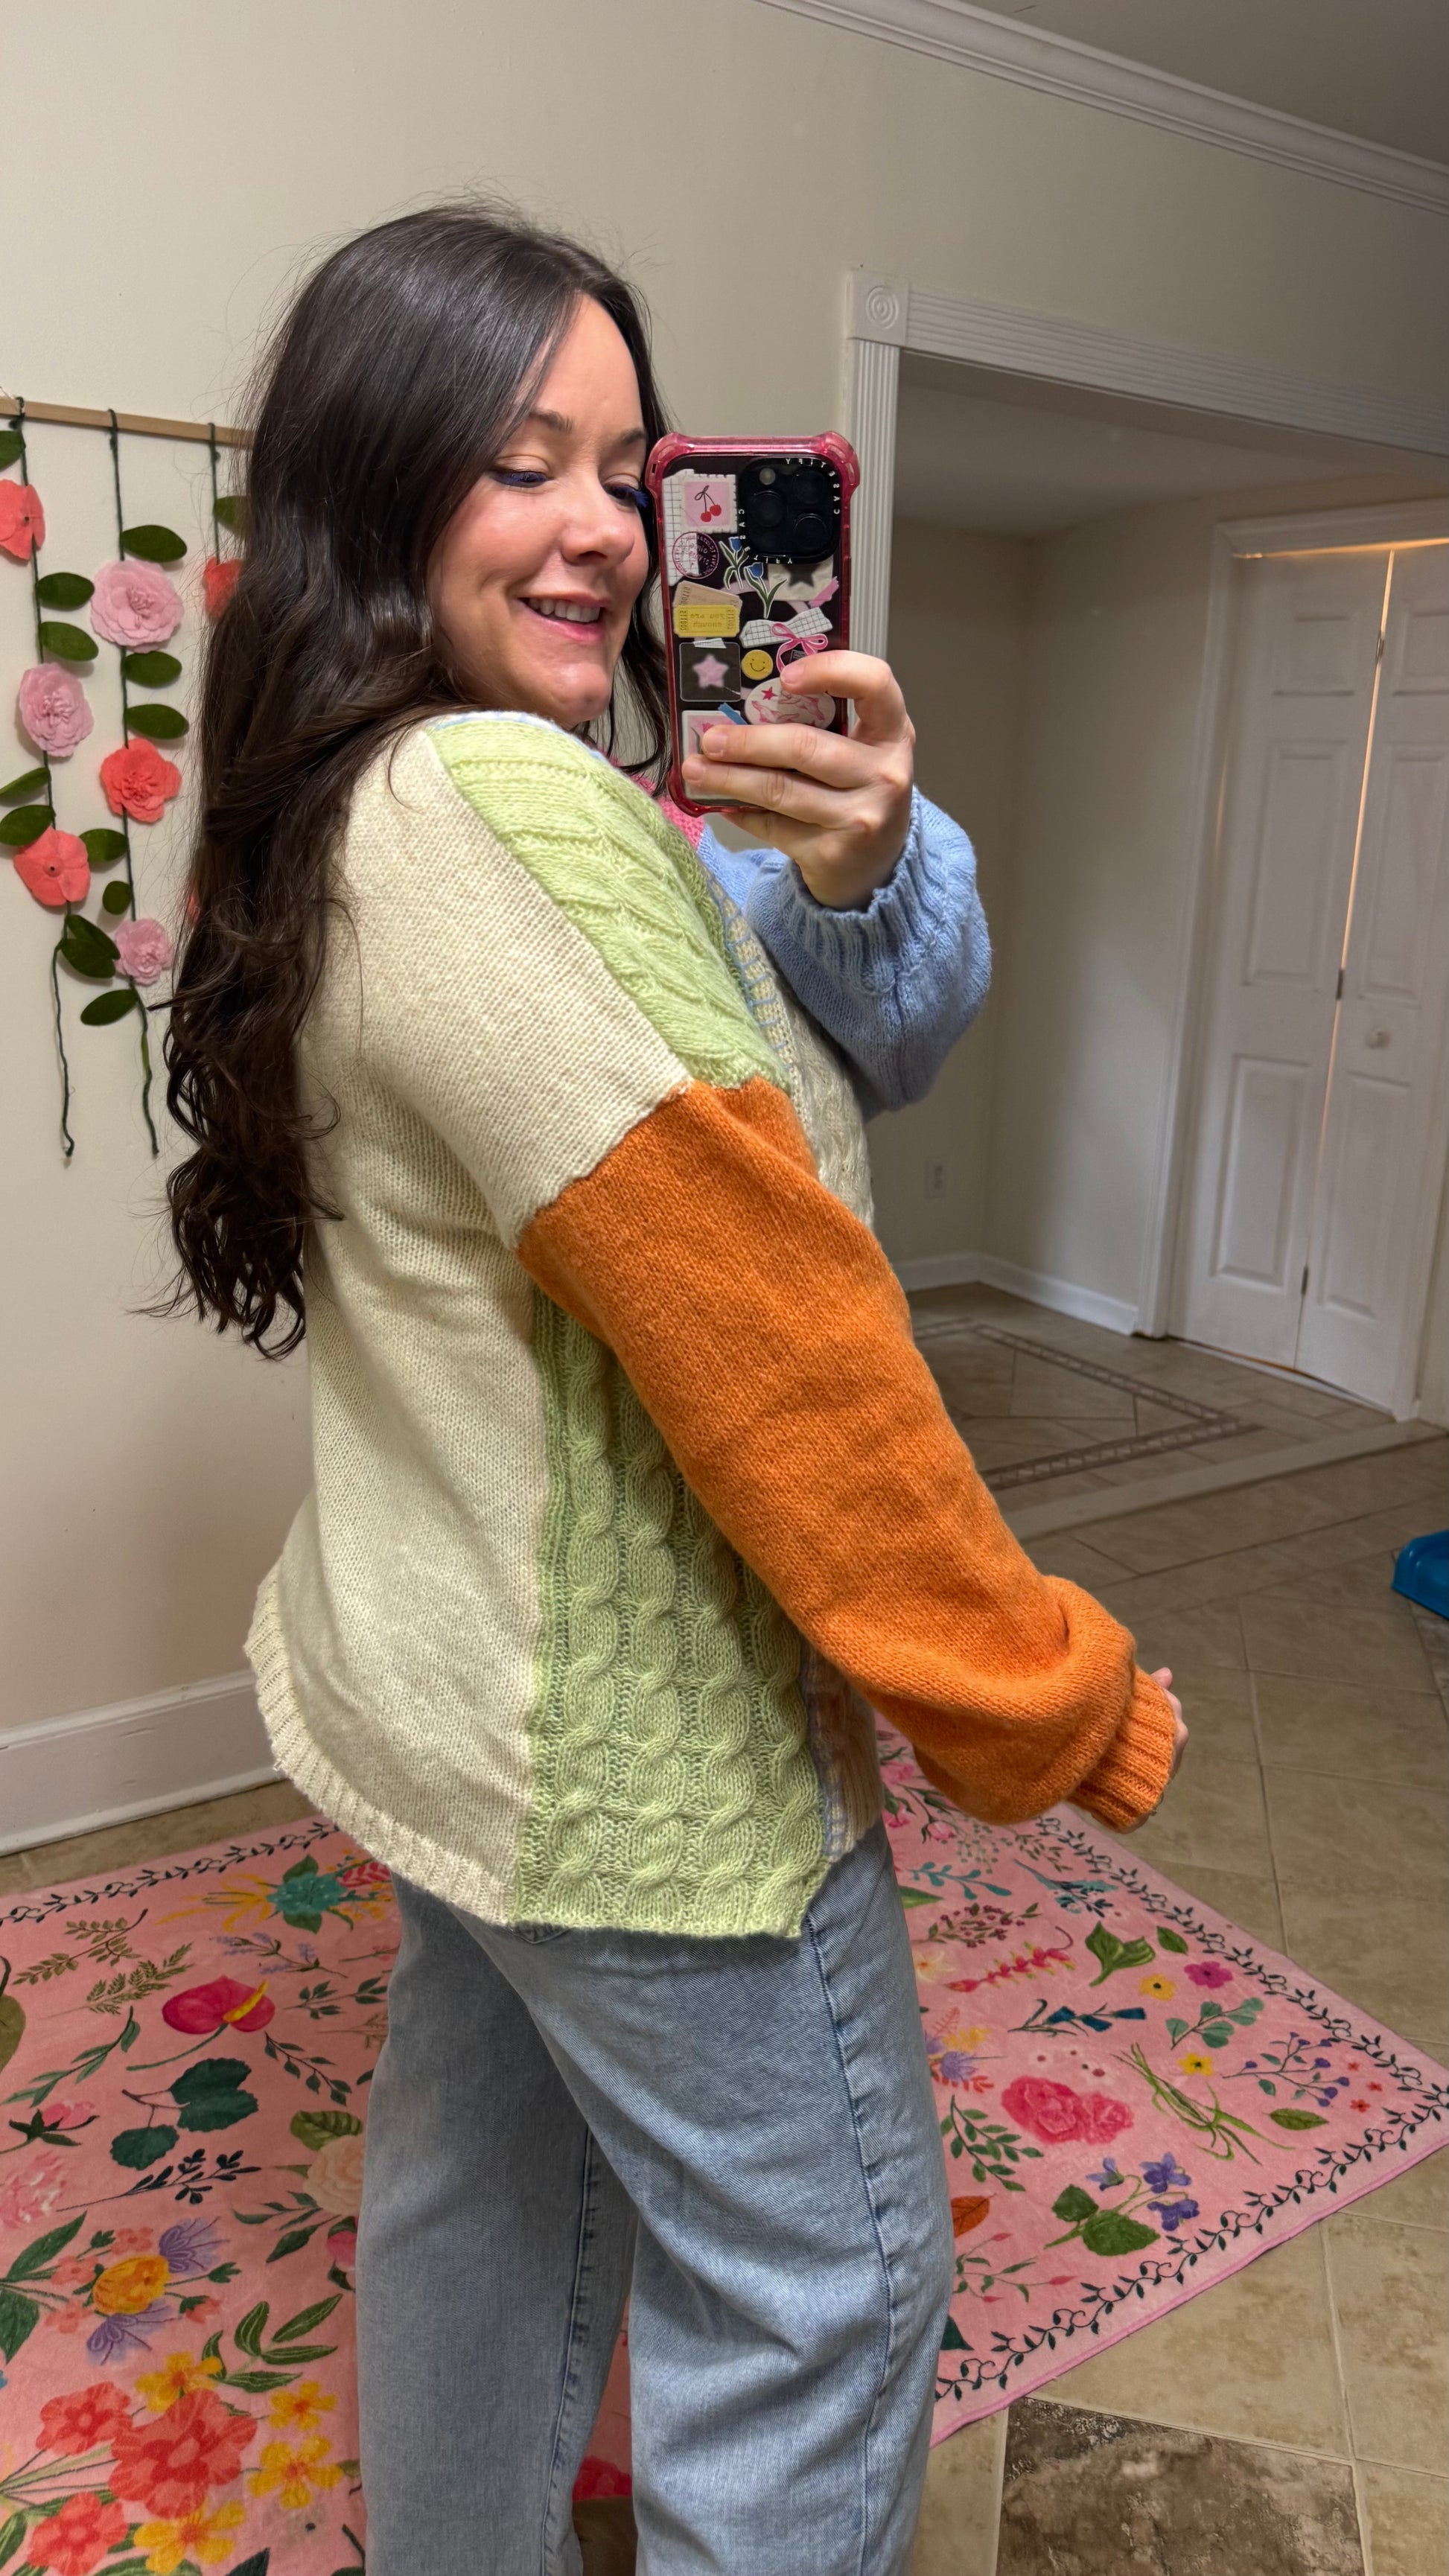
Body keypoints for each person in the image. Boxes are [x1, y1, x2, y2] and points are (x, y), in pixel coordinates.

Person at [164, 204, 1185, 2576]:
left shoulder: (363, 796)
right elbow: (782, 1342)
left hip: (458, 1704)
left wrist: (860, 862)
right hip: (638, 1751)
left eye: (626, 468)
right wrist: (1035, 1686)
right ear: (376, 483)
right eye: (521, 460)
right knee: (826, 2294)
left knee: (479, 2200)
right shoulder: (502, 811)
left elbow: (847, 1033)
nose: (606, 528)